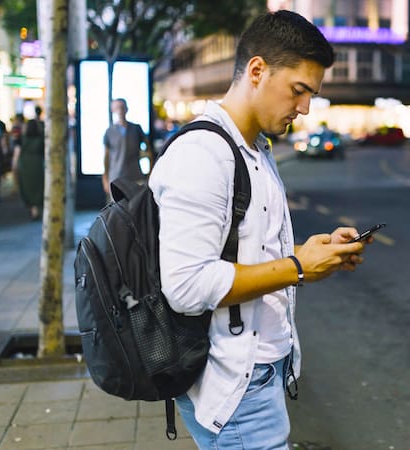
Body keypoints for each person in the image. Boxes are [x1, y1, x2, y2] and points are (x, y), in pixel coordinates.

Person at [148, 10, 369, 449]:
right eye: (299, 90)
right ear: (256, 71)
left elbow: (244, 251)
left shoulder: (254, 149)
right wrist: (296, 266)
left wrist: (312, 252)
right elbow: (187, 285)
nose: (305, 108)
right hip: (233, 388)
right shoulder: (204, 155)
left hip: (254, 375)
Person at [102, 98, 154, 198]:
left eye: (122, 107)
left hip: (135, 176)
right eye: (117, 108)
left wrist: (150, 172)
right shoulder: (109, 132)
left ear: (126, 109)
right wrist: (105, 179)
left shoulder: (136, 128)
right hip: (116, 177)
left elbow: (148, 151)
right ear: (113, 110)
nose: (120, 110)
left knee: (136, 208)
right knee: (118, 209)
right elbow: (106, 158)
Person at [12, 115, 45, 220]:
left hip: (25, 166)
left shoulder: (21, 138)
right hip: (38, 165)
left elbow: (16, 155)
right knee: (38, 187)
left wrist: (14, 167)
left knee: (27, 187)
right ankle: (36, 209)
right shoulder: (42, 139)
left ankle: (33, 209)